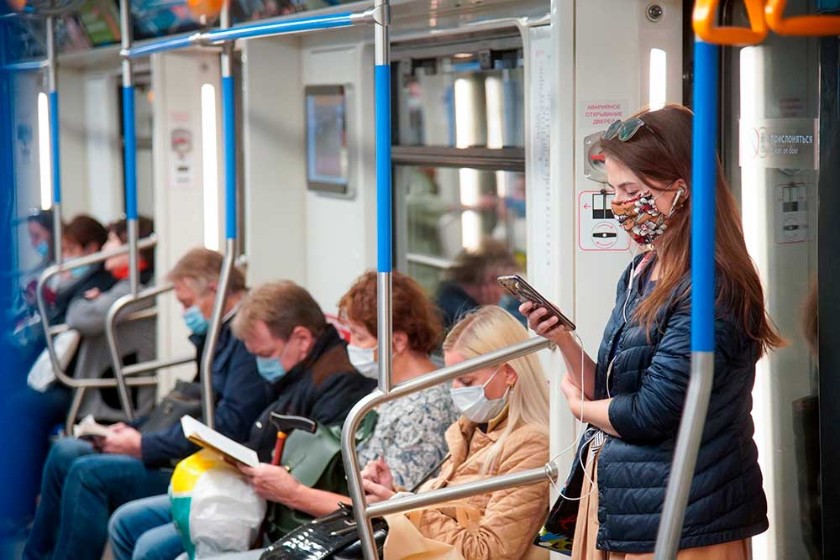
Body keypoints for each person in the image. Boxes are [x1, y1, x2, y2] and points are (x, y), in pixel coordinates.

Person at [522, 105, 783, 559]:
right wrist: (562, 338)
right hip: (634, 508)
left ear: (680, 191)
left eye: (631, 190)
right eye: (613, 190)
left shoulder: (711, 286)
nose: (620, 204)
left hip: (691, 516)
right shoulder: (643, 270)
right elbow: (612, 388)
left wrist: (580, 407)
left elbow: (650, 413)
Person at [22, 248, 274, 560]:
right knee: (65, 451)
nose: (184, 314)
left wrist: (143, 444)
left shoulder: (243, 342)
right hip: (175, 443)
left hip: (196, 462)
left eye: (186, 303)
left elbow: (226, 426)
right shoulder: (216, 337)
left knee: (87, 473)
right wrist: (131, 430)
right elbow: (190, 404)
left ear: (213, 288)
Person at [107, 280, 377, 560]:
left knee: (152, 548)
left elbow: (316, 468)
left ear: (302, 339)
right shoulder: (294, 371)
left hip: (279, 507)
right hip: (255, 484)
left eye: (266, 355)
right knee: (126, 523)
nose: (262, 365)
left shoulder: (337, 381)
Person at [363, 306, 550, 560]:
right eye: (452, 378)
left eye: (466, 381)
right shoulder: (468, 432)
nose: (455, 390)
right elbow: (446, 512)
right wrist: (393, 491)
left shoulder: (531, 444)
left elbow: (489, 552)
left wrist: (401, 506)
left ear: (509, 373)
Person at [435, 237, 520, 330]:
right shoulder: (462, 315)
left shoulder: (450, 298)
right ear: (488, 280)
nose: (504, 292)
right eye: (503, 284)